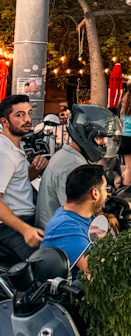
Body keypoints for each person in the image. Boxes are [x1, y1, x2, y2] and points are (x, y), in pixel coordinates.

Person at [0, 96, 48, 264]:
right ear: (4, 122)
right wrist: (25, 229)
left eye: (29, 113)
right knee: (43, 267)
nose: (27, 119)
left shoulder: (15, 145)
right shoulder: (4, 153)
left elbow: (15, 182)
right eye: (19, 115)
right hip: (10, 227)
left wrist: (33, 171)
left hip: (24, 219)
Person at [40, 164, 107, 276]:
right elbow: (96, 267)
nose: (107, 194)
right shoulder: (65, 227)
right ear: (95, 193)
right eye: (105, 189)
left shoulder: (81, 216)